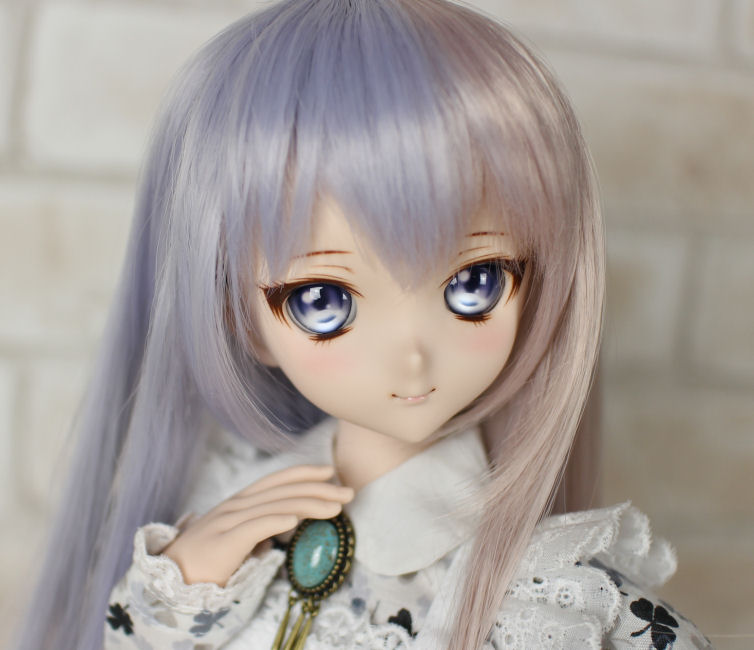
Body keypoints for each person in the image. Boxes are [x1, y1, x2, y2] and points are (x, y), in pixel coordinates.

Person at [15, 0, 711, 648]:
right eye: (323, 300)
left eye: (474, 284)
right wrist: (184, 589)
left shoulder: (544, 597)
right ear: (241, 318)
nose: (412, 357)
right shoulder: (222, 508)